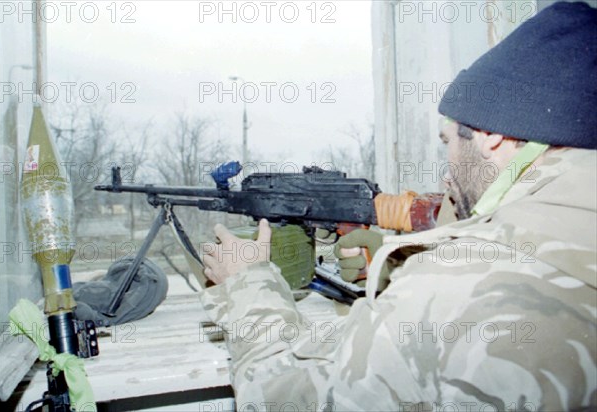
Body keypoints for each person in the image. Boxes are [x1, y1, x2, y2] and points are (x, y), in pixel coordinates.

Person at [200, 3, 596, 410]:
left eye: (449, 142)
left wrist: (246, 283)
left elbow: (283, 396)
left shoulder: (452, 290)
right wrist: (395, 260)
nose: (446, 172)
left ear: (491, 137)